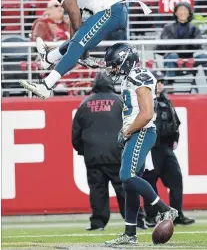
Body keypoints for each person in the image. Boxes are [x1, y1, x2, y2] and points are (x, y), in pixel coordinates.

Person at [19, 0, 128, 99]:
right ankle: (50, 57)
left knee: (77, 42)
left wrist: (82, 50)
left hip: (112, 11)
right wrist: (80, 47)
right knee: (77, 40)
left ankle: (46, 85)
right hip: (114, 10)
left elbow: (75, 16)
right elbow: (75, 16)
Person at [104, 43, 178, 246]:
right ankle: (130, 234)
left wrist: (126, 131)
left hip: (141, 132)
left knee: (126, 176)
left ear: (125, 61)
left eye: (115, 65)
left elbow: (146, 114)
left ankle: (165, 209)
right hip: (135, 132)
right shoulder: (130, 77)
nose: (113, 70)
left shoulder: (139, 77)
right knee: (129, 184)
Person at [72, 71, 148, 230]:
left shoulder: (85, 104)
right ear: (111, 84)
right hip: (117, 154)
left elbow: (75, 134)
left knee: (97, 191)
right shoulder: (120, 101)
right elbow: (132, 125)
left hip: (93, 156)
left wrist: (83, 150)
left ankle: (97, 223)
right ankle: (137, 221)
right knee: (124, 190)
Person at [143, 71, 195, 227]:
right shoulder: (144, 100)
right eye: (157, 81)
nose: (160, 84)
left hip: (166, 148)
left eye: (161, 81)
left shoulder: (166, 100)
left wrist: (175, 139)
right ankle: (151, 217)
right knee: (150, 182)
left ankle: (176, 214)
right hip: (151, 148)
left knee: (176, 181)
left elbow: (175, 122)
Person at [156, 2, 207, 78]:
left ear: (189, 13)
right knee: (172, 56)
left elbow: (198, 44)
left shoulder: (194, 28)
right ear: (175, 13)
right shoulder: (168, 28)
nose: (182, 12)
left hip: (190, 59)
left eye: (185, 10)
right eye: (180, 10)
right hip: (172, 58)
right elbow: (164, 45)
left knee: (204, 57)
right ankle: (170, 85)